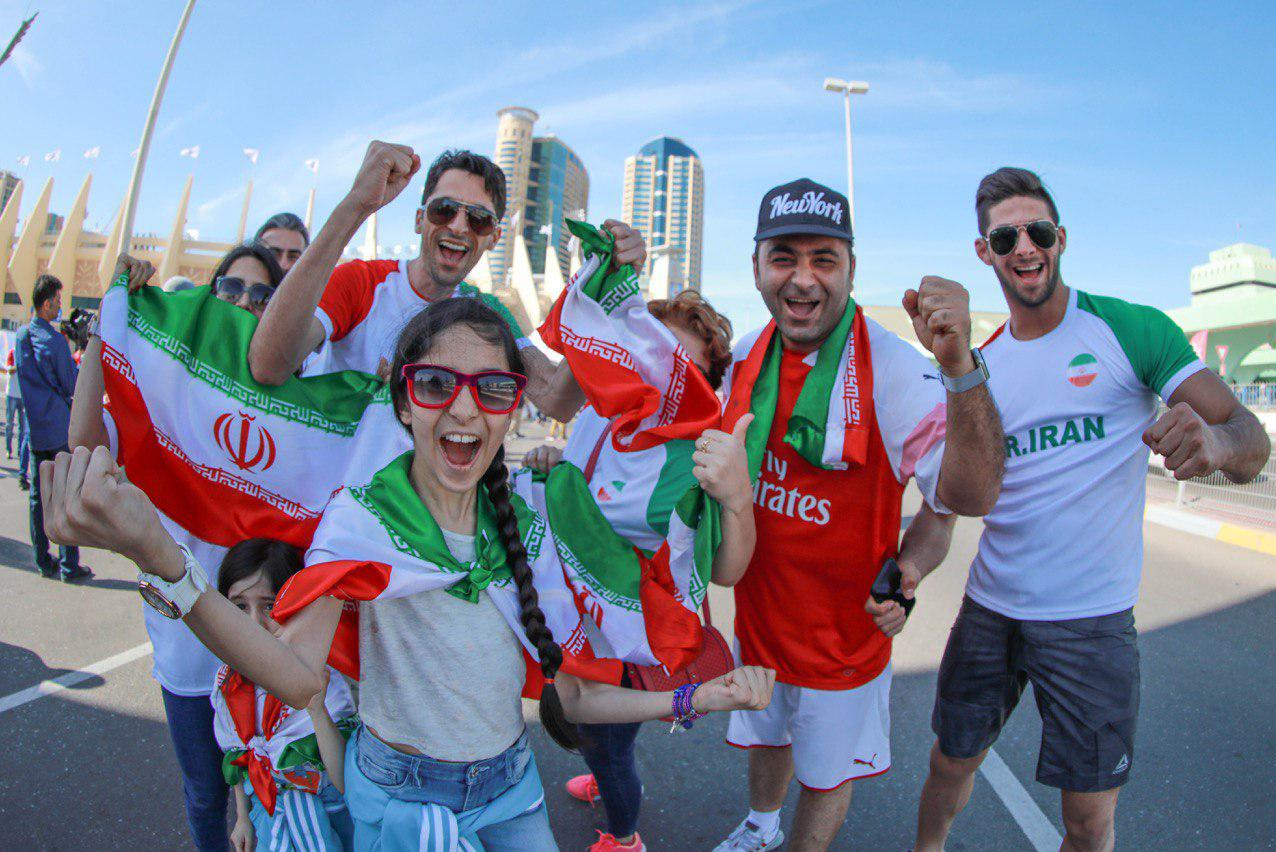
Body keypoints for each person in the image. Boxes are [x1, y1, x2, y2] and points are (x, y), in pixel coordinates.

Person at [44, 297, 775, 850]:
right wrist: (164, 561)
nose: (465, 408)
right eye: (435, 383)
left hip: (512, 790)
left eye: (493, 390)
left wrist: (695, 694)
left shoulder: (536, 513)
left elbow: (581, 687)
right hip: (402, 803)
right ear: (402, 402)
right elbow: (296, 677)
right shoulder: (363, 519)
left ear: (513, 408)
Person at [912, 168, 1271, 852]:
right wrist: (956, 365)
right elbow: (960, 498)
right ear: (985, 252)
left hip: (1092, 623)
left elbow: (1250, 442)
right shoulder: (978, 365)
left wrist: (1217, 442)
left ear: (1061, 239)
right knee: (949, 764)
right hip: (991, 609)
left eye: (1038, 231)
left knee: (1088, 823)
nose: (1025, 247)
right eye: (1005, 237)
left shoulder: (1131, 329)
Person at [712, 179, 1004, 852]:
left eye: (824, 259)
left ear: (851, 269)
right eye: (783, 257)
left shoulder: (895, 371)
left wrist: (960, 366)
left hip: (842, 645)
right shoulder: (745, 358)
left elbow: (967, 498)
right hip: (758, 625)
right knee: (768, 737)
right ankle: (760, 824)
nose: (803, 279)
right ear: (756, 267)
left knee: (825, 776)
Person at [65, 246, 282, 852]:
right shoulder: (162, 398)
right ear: (209, 298)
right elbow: (84, 441)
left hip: (267, 648)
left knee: (277, 792)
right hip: (188, 653)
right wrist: (108, 325)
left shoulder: (295, 406)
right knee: (207, 796)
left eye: (262, 295)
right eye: (231, 288)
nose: (244, 303)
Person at [524, 289, 738, 852]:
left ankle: (623, 837)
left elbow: (718, 567)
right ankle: (606, 779)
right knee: (594, 727)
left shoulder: (693, 463)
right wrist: (553, 467)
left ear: (705, 387)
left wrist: (733, 496)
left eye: (687, 373)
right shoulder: (600, 413)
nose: (667, 380)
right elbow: (578, 486)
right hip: (573, 615)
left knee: (606, 741)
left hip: (626, 632)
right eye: (657, 358)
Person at [244, 141, 644, 425]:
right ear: (420, 219)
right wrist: (357, 205)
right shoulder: (363, 282)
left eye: (478, 219)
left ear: (493, 238)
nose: (458, 226)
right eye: (444, 209)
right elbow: (268, 365)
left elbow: (557, 400)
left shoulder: (487, 314)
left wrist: (603, 294)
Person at [213, 538, 355, 852]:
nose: (254, 623)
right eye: (239, 606)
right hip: (268, 816)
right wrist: (242, 819)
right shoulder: (229, 683)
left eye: (269, 606)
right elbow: (239, 754)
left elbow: (346, 782)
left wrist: (317, 710)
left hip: (329, 821)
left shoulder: (321, 679)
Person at [14, 274, 90, 582]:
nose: (60, 306)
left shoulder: (22, 336)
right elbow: (71, 384)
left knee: (37, 497)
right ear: (46, 304)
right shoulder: (55, 340)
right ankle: (69, 565)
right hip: (59, 428)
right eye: (57, 301)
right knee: (64, 495)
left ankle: (42, 560)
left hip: (35, 429)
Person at [4, 344, 30, 489]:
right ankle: (9, 449)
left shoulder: (28, 355)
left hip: (23, 395)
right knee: (9, 424)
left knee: (22, 427)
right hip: (11, 394)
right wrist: (19, 365)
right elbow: (9, 369)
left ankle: (20, 452)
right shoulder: (13, 353)